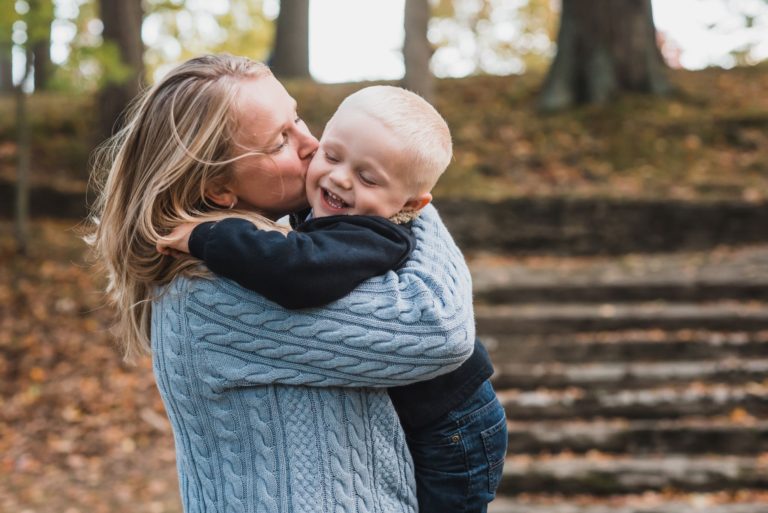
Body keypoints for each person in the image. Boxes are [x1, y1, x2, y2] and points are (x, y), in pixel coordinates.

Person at [87, 53, 478, 513]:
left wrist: (399, 184)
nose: (313, 145)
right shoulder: (215, 290)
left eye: (297, 118)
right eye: (280, 142)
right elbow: (439, 330)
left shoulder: (275, 244)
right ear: (218, 190)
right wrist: (398, 197)